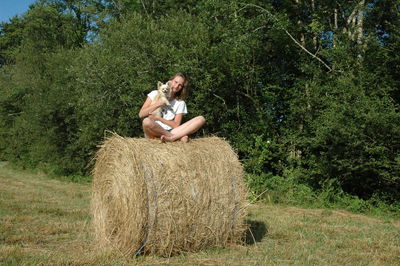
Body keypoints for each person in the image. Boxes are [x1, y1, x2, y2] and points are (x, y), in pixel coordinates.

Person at [138, 73, 205, 143]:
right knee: (146, 121)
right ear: (170, 81)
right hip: (154, 129)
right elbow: (141, 114)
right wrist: (158, 104)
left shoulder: (180, 103)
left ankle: (172, 138)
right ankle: (175, 137)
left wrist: (158, 118)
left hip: (172, 130)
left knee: (201, 119)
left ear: (182, 88)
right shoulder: (154, 93)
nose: (176, 86)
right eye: (175, 82)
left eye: (180, 85)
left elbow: (176, 125)